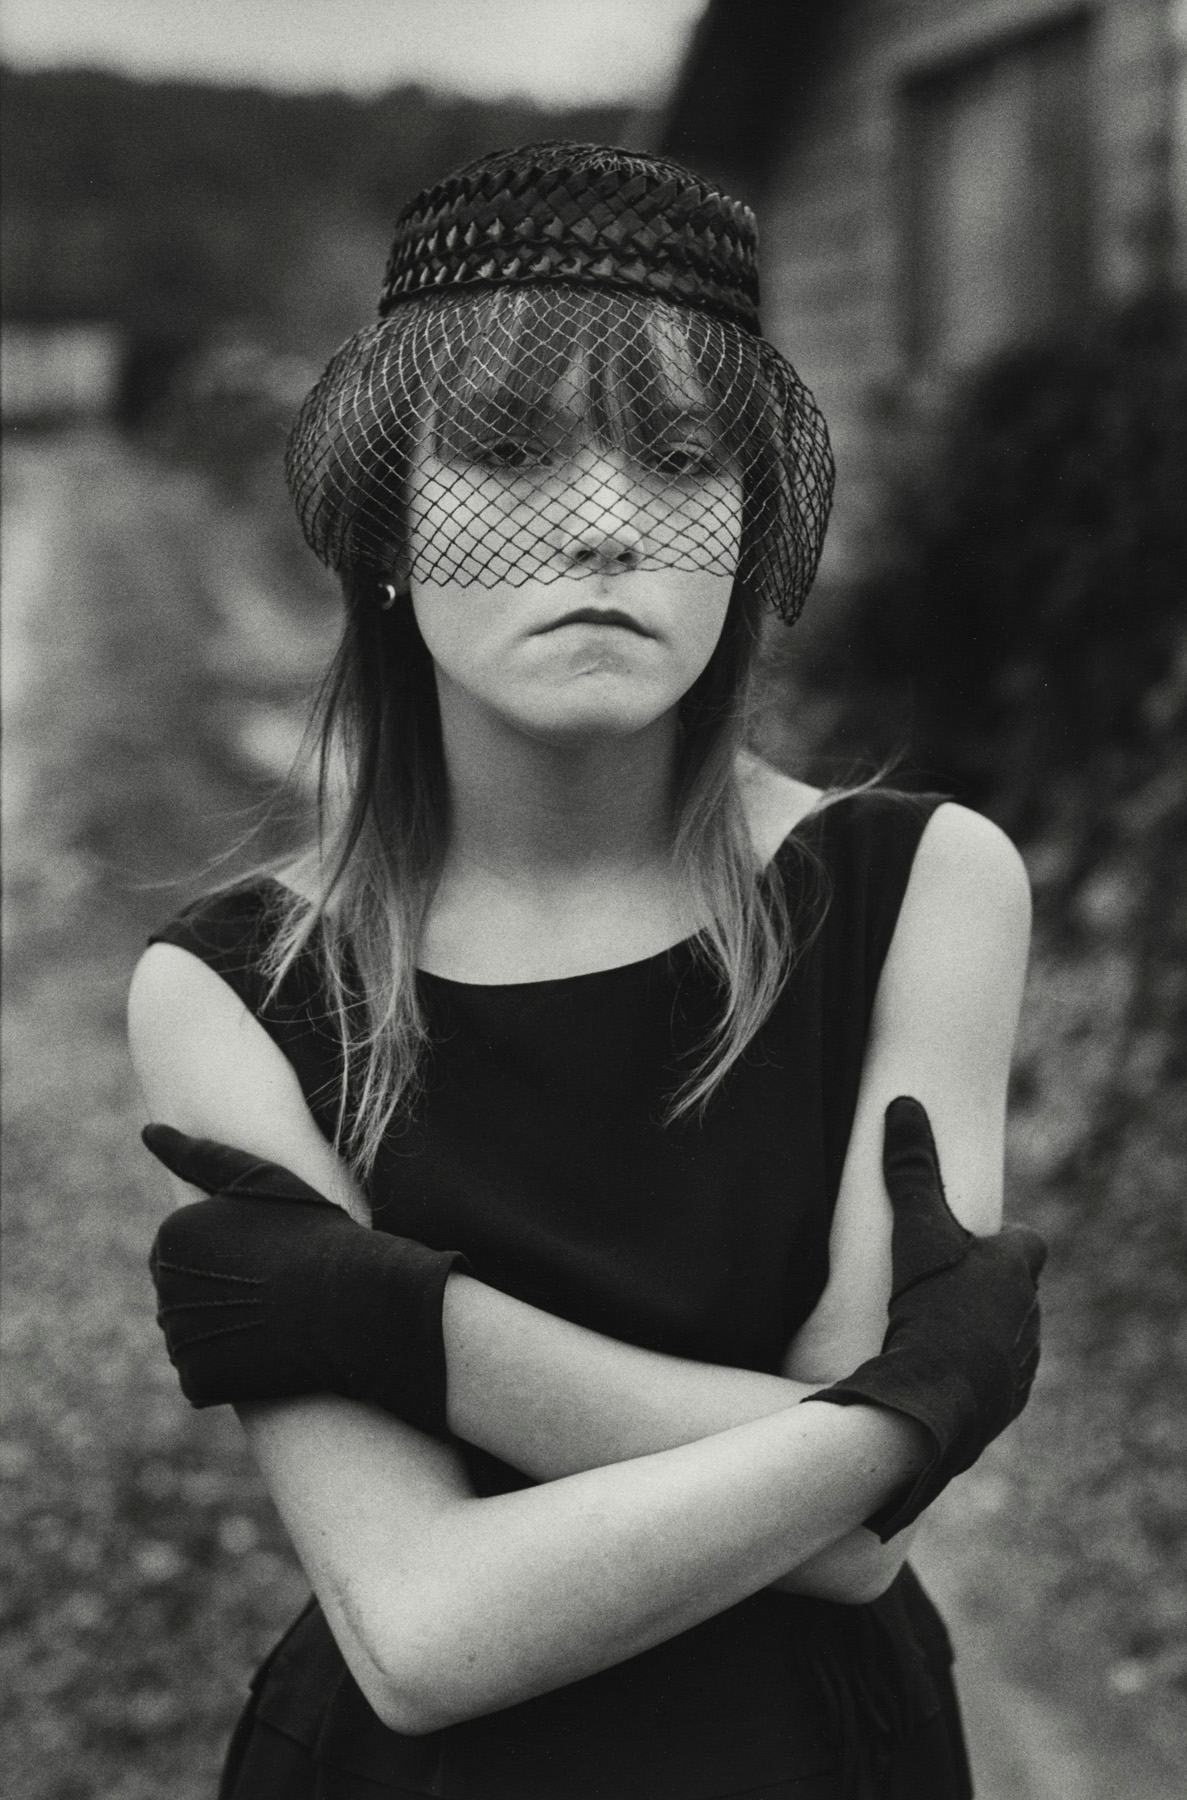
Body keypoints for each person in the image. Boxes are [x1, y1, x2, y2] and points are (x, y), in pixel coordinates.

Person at [127, 142, 1042, 1799]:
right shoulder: (231, 987)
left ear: (751, 539)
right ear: (387, 527)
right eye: (502, 455)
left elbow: (850, 1553)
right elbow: (419, 1633)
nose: (609, 522)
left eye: (686, 465)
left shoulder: (920, 888)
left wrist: (390, 1320)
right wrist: (901, 1418)